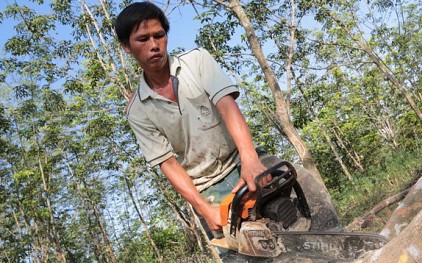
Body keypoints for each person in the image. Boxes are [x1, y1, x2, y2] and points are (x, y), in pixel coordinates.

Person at [114, 2, 340, 236]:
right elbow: (167, 163)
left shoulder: (196, 61)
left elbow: (227, 106)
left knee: (303, 187)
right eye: (143, 39)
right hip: (205, 187)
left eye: (159, 35)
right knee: (246, 262)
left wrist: (250, 160)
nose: (154, 45)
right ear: (126, 47)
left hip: (241, 158)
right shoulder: (137, 110)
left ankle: (340, 254)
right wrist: (203, 208)